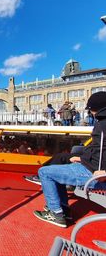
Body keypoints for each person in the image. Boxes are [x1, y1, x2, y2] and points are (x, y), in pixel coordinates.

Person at [33, 91, 106, 228]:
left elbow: (101, 153)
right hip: (91, 167)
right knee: (58, 170)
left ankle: (56, 213)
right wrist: (82, 158)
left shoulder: (102, 125)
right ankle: (64, 210)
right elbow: (99, 151)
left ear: (96, 109)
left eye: (91, 110)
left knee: (44, 172)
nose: (91, 113)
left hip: (95, 175)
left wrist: (104, 172)